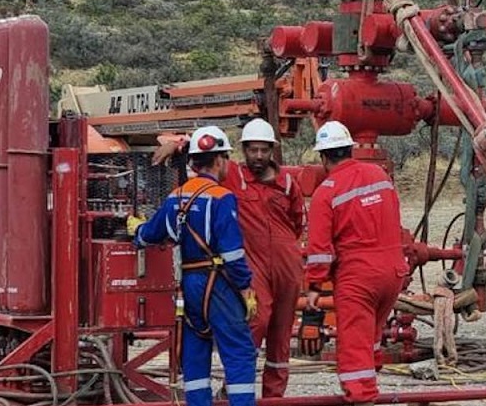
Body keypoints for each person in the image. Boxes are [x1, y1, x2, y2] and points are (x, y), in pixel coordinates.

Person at [128, 126, 259, 406]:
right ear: (220, 160)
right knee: (239, 352)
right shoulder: (222, 198)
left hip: (190, 286)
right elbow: (233, 254)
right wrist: (246, 288)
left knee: (196, 350)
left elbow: (150, 235)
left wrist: (135, 231)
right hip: (220, 284)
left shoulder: (176, 197)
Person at [303, 121, 409, 405]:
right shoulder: (379, 174)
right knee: (371, 333)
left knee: (353, 343)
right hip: (393, 272)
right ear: (350, 149)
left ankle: (362, 396)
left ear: (324, 157)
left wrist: (314, 284)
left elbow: (320, 250)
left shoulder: (326, 191)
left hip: (359, 277)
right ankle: (370, 375)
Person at [221, 118, 304, 398]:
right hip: (253, 263)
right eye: (252, 150)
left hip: (288, 266)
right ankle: (237, 386)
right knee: (257, 318)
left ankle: (273, 398)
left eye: (263, 150)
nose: (258, 156)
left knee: (281, 335)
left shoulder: (289, 183)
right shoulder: (234, 177)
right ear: (243, 150)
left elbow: (297, 223)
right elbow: (207, 158)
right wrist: (178, 144)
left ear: (272, 150)